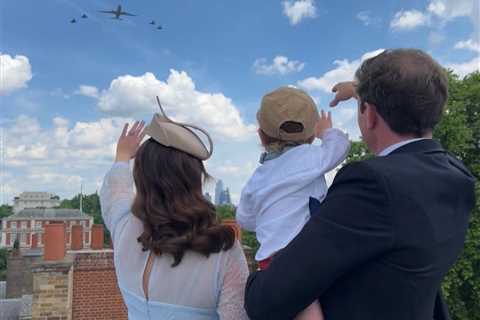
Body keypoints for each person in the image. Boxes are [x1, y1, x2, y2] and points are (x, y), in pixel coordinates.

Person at [244, 49, 476, 320]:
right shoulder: (457, 175)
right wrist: (358, 92)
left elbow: (271, 298)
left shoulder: (372, 184)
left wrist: (252, 282)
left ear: (370, 115)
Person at [100, 102, 250, 320]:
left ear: (141, 178)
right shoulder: (222, 251)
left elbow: (114, 195)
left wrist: (122, 156)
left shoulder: (125, 229)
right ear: (193, 180)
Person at [236, 87, 350, 320]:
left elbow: (244, 219)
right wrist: (327, 132)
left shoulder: (257, 178)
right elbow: (340, 147)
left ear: (261, 135)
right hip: (305, 257)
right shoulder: (312, 158)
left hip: (270, 261)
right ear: (310, 134)